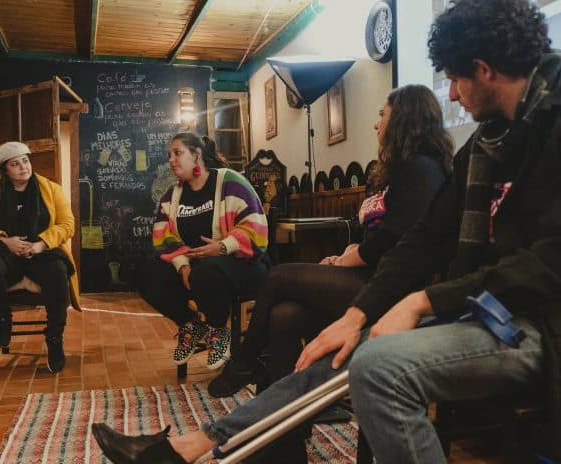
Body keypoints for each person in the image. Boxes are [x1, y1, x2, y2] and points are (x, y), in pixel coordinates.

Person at [92, 0, 561, 462]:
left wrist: (421, 301)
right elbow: (424, 239)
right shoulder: (486, 143)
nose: (452, 96)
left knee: (377, 365)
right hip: (482, 309)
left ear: (484, 70)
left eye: (455, 80)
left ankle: (234, 385)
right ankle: (189, 446)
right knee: (335, 351)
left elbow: (547, 266)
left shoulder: (551, 129)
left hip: (539, 323)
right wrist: (357, 315)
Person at [208, 84, 453, 398]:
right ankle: (286, 416)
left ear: (404, 119)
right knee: (284, 316)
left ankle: (243, 363)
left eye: (383, 115)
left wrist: (346, 260)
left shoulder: (422, 169)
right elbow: (372, 234)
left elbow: (394, 240)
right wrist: (345, 255)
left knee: (277, 276)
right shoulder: (395, 172)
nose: (376, 123)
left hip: (392, 289)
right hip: (368, 274)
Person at [138, 133, 269, 370]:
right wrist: (182, 265)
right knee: (145, 272)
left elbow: (256, 227)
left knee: (207, 272)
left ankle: (218, 329)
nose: (171, 160)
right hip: (195, 268)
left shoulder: (229, 182)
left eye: (178, 153)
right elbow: (163, 236)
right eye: (169, 155)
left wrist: (222, 246)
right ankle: (190, 325)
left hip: (241, 264)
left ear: (196, 155)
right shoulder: (172, 195)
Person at [0, 141, 80, 373]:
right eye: (15, 164)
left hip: (40, 251)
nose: (23, 167)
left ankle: (55, 337)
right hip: (4, 252)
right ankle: (3, 318)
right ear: (5, 170)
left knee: (58, 270)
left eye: (25, 161)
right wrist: (4, 239)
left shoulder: (51, 188)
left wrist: (41, 244)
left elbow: (67, 224)